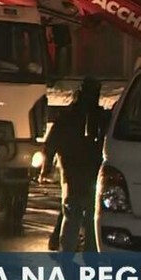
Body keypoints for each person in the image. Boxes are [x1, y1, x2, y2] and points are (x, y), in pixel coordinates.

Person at [42, 77, 109, 251]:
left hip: (72, 175)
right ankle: (90, 253)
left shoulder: (67, 118)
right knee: (90, 216)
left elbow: (50, 145)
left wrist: (46, 168)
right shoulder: (103, 119)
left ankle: (67, 253)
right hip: (93, 174)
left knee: (72, 216)